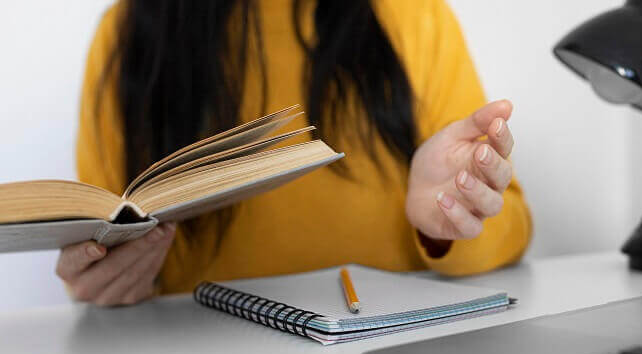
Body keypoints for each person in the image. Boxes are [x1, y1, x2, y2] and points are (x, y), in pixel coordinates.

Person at [56, 0, 533, 306]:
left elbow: (513, 224)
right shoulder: (130, 33)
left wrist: (445, 226)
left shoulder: (410, 15)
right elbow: (101, 248)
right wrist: (109, 285)